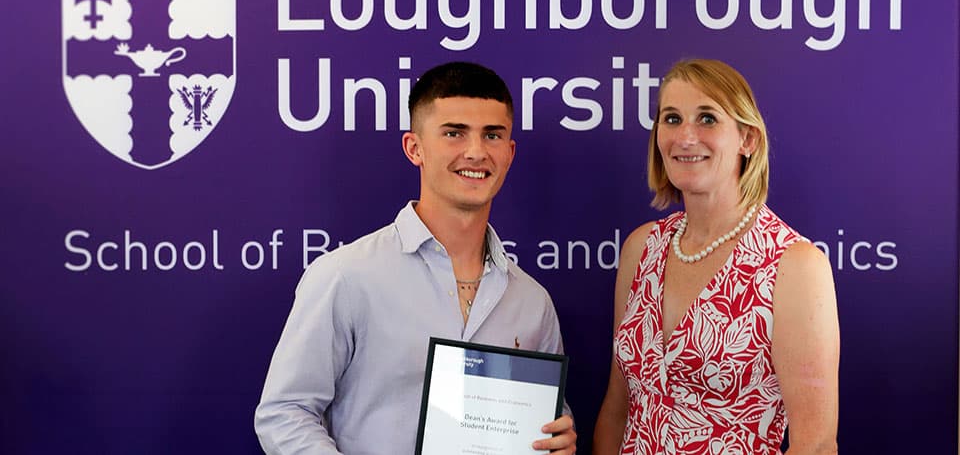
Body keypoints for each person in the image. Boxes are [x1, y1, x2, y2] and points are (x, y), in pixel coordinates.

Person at [255, 61, 576, 454]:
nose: (476, 152)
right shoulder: (347, 277)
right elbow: (284, 412)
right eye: (454, 133)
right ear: (415, 148)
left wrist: (558, 440)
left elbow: (547, 424)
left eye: (492, 135)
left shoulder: (531, 302)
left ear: (509, 154)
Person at [593, 59, 839, 454]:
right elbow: (618, 408)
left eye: (707, 118)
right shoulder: (642, 249)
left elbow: (816, 444)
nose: (685, 136)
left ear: (748, 140)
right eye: (671, 119)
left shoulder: (794, 265)